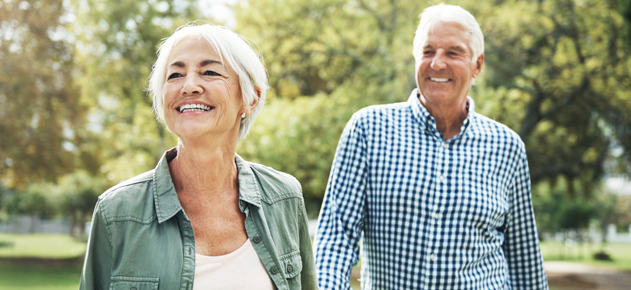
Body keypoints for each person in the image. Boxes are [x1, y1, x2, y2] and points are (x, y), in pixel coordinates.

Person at [314, 4, 548, 289]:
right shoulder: (368, 128)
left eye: (453, 52)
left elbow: (525, 262)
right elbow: (336, 239)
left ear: (477, 65)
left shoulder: (507, 146)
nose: (437, 63)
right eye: (428, 51)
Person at [80, 24, 317, 290]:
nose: (189, 85)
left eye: (210, 72)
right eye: (175, 75)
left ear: (250, 98)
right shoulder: (117, 212)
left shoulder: (285, 196)